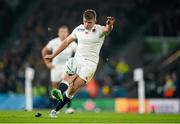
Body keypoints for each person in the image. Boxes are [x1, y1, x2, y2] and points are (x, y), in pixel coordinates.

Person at [44, 9, 115, 118]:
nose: (87, 24)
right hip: (77, 60)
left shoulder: (100, 30)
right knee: (67, 79)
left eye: (90, 22)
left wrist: (109, 26)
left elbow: (107, 30)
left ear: (95, 21)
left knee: (73, 88)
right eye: (85, 21)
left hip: (90, 64)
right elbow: (66, 42)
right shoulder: (78, 29)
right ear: (83, 20)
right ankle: (58, 94)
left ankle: (56, 109)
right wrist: (53, 55)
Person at [41, 25, 77, 114]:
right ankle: (55, 108)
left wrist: (75, 63)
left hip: (66, 68)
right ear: (58, 33)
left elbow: (78, 52)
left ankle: (69, 108)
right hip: (55, 67)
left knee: (68, 85)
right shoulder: (53, 42)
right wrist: (47, 63)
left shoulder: (72, 43)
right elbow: (44, 51)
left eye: (65, 32)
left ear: (68, 33)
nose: (63, 34)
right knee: (55, 89)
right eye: (61, 32)